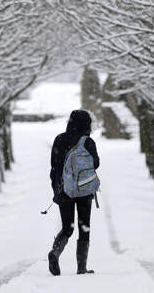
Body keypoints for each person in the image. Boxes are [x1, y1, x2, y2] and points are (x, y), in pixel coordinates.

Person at [48, 109, 100, 276]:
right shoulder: (88, 142)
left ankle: (55, 253)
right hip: (84, 190)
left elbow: (54, 166)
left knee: (67, 226)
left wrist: (56, 188)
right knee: (84, 226)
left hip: (64, 190)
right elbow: (96, 164)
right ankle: (81, 268)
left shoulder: (59, 139)